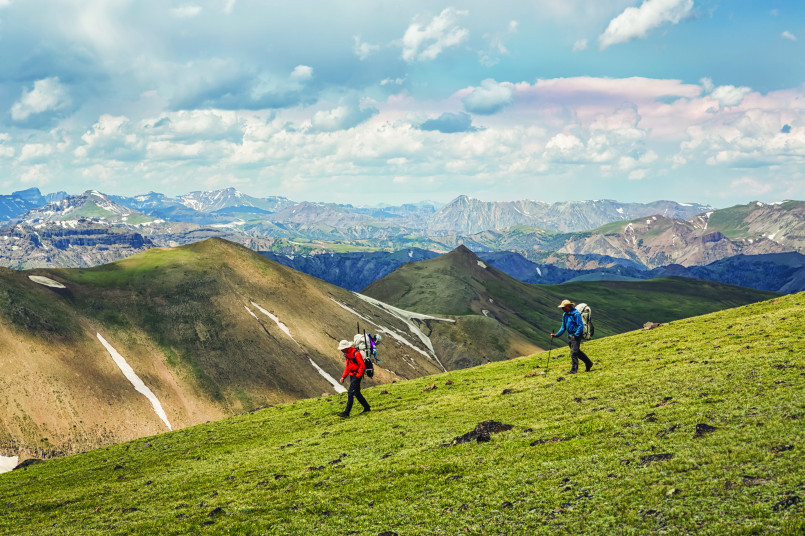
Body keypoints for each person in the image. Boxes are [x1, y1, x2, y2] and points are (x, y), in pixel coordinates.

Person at [551, 299, 593, 374]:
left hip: (575, 336)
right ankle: (588, 363)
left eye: (563, 307)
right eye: (562, 308)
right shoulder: (565, 314)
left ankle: (574, 370)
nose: (562, 309)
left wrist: (576, 336)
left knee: (573, 353)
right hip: (570, 336)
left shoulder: (575, 314)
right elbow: (563, 327)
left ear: (568, 306)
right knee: (577, 352)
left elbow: (580, 326)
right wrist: (556, 335)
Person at [337, 339, 370, 417]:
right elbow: (348, 366)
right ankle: (367, 407)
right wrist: (343, 377)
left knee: (350, 392)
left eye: (342, 349)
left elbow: (362, 366)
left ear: (346, 348)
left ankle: (346, 413)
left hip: (356, 375)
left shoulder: (356, 354)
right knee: (357, 393)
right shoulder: (347, 354)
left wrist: (358, 376)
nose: (341, 350)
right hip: (352, 375)